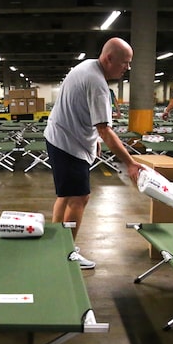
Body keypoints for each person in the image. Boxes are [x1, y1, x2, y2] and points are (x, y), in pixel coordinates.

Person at [44, 37, 142, 270]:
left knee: (66, 195)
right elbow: (106, 130)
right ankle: (65, 253)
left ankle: (57, 245)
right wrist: (130, 163)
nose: (127, 68)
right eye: (125, 63)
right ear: (109, 59)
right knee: (80, 197)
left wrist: (94, 139)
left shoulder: (86, 66)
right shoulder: (98, 84)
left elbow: (86, 115)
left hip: (59, 137)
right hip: (68, 143)